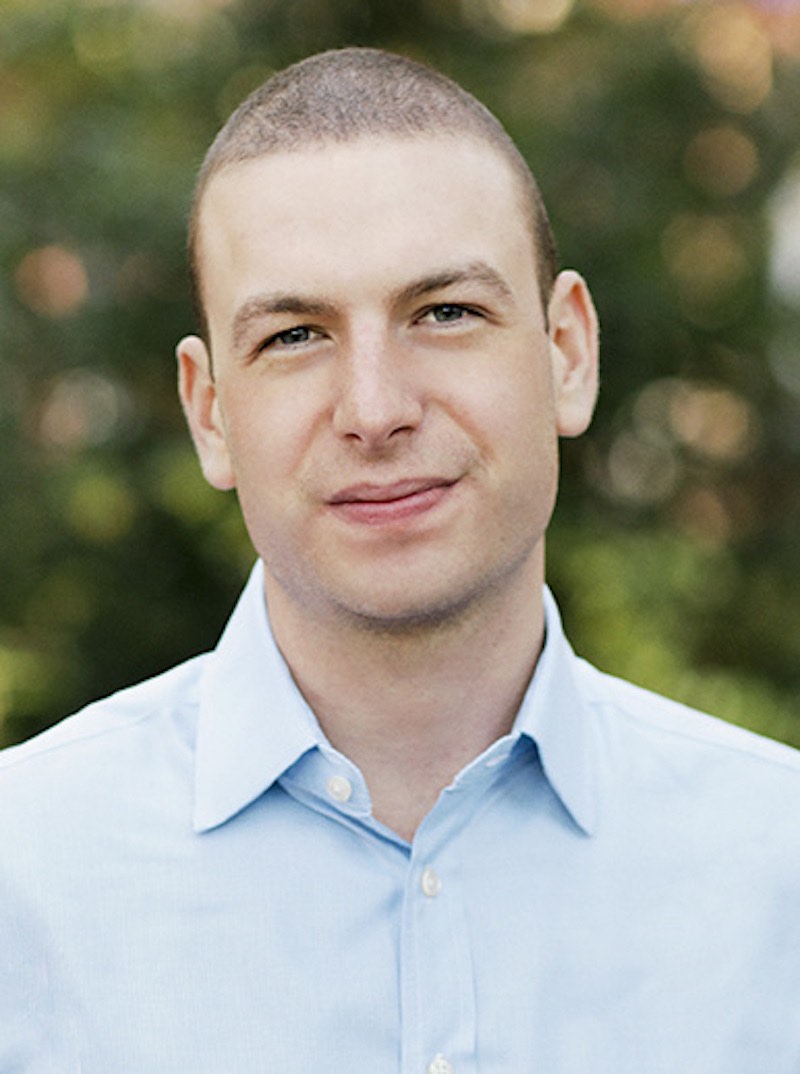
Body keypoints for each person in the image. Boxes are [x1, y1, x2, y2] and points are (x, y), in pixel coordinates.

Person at [1, 47, 799, 1074]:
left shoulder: (777, 868)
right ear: (208, 412)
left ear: (566, 351)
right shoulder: (25, 879)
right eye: (293, 335)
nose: (374, 409)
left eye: (444, 313)